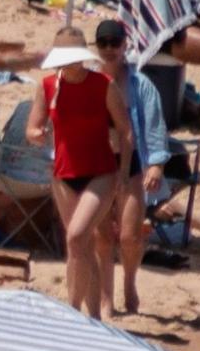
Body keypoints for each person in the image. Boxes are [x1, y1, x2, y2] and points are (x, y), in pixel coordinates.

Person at [41, 43, 132, 320]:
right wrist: (36, 133)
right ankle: (92, 319)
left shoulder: (103, 84)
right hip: (63, 173)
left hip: (101, 172)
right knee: (80, 246)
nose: (67, 69)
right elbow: (33, 124)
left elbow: (125, 130)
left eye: (71, 63)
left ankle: (71, 312)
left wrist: (125, 172)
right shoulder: (48, 86)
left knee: (76, 236)